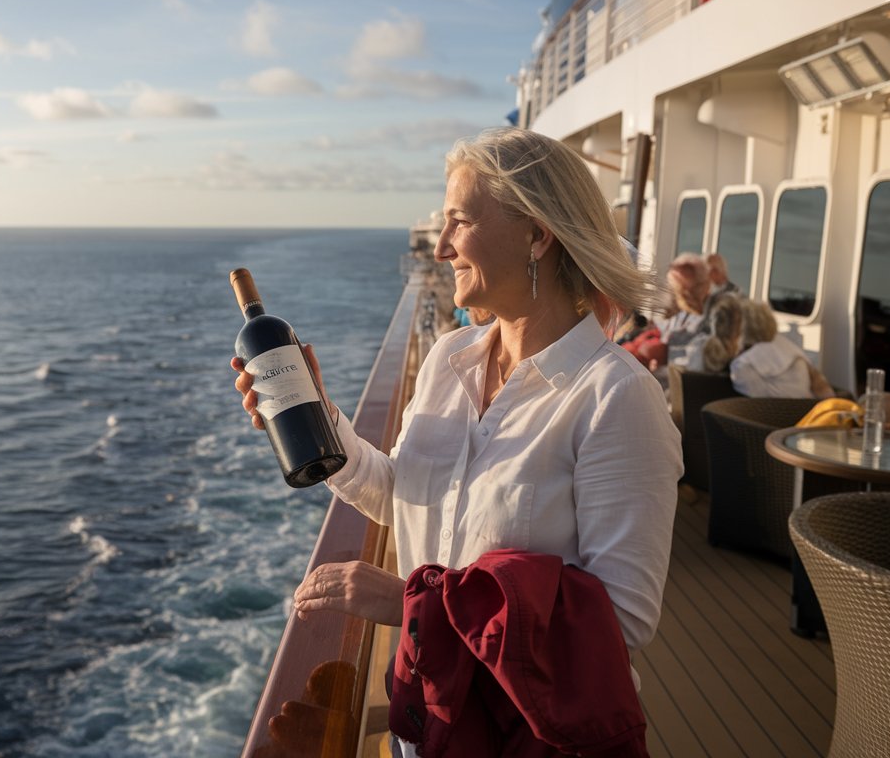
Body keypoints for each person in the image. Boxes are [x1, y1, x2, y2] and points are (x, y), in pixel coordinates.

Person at [231, 127, 682, 752]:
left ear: (537, 234)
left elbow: (619, 622)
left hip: (527, 733)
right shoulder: (450, 357)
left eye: (458, 222)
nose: (439, 248)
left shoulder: (616, 397)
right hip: (429, 717)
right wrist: (320, 418)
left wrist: (413, 605)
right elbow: (403, 497)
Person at [729, 299, 835, 398]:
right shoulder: (789, 349)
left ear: (742, 329)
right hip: (805, 410)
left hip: (770, 415)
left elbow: (752, 397)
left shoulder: (743, 365)